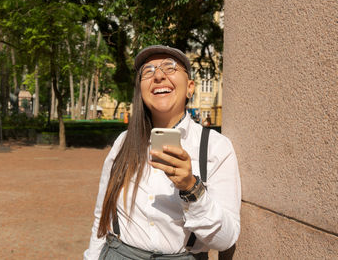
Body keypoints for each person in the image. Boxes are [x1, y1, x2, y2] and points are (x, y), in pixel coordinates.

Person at [84, 45, 241, 260]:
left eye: (170, 67)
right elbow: (101, 219)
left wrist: (191, 189)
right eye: (148, 71)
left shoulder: (216, 147)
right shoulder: (123, 142)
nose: (158, 75)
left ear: (190, 87)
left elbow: (227, 239)